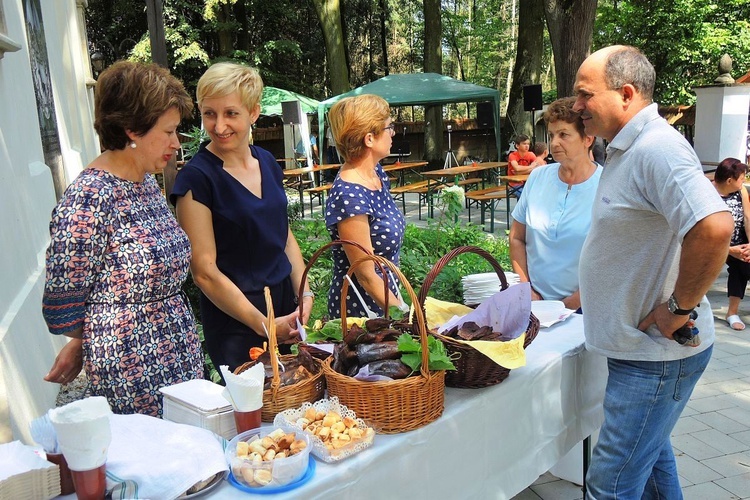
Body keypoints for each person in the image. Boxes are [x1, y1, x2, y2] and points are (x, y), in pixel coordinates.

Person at [573, 45, 733, 498]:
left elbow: (715, 227)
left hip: (654, 359)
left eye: (585, 94)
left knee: (610, 487)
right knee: (652, 472)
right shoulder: (628, 147)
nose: (577, 106)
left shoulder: (656, 148)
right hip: (641, 356)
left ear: (625, 94)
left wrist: (675, 310)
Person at [42, 61, 203, 417]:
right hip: (132, 365)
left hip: (178, 351)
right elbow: (60, 302)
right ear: (132, 130)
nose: (177, 144)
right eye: (168, 132)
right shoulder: (89, 198)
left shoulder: (144, 181)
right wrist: (88, 335)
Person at [171, 62, 312, 376]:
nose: (219, 126)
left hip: (286, 311)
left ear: (254, 113)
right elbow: (204, 273)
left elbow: (283, 234)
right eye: (210, 113)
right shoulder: (197, 179)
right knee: (254, 415)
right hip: (236, 322)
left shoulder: (267, 163)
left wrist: (304, 294)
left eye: (231, 113)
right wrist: (264, 325)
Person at [509, 97, 602, 312]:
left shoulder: (608, 186)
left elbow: (614, 259)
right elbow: (516, 238)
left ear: (588, 138)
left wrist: (572, 303)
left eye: (564, 135)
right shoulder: (537, 178)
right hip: (535, 304)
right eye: (551, 135)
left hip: (586, 308)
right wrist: (527, 290)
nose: (554, 143)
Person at [324, 94, 406, 319]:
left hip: (387, 301)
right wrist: (407, 317)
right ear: (369, 139)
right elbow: (366, 275)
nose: (393, 132)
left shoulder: (376, 173)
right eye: (389, 127)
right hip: (362, 314)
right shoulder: (349, 195)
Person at [713, 158, 750, 330]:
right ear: (729, 180)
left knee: (743, 265)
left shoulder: (740, 190)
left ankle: (732, 313)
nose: (744, 181)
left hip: (739, 242)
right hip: (711, 245)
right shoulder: (708, 193)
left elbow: (748, 219)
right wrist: (728, 250)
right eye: (742, 178)